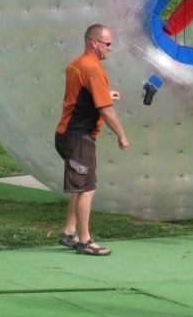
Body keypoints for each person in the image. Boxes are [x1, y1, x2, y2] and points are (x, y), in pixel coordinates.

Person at [55, 24, 129, 256]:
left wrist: (105, 94)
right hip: (78, 138)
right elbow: (106, 111)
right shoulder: (92, 69)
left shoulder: (78, 64)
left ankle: (69, 232)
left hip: (67, 134)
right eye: (107, 43)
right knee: (87, 189)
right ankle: (84, 241)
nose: (111, 48)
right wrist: (122, 134)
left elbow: (83, 96)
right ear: (93, 42)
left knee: (81, 186)